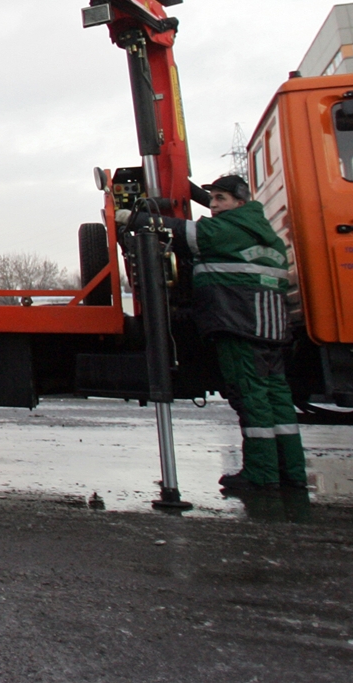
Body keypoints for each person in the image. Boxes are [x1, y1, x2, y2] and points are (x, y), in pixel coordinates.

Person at [119, 174, 305, 492]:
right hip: (270, 329)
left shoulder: (225, 230)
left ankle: (261, 475)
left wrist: (135, 217)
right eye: (212, 199)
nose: (214, 205)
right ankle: (292, 472)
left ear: (240, 203)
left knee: (252, 400)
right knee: (278, 401)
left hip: (240, 326)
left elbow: (182, 232)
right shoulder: (267, 237)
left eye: (221, 199)